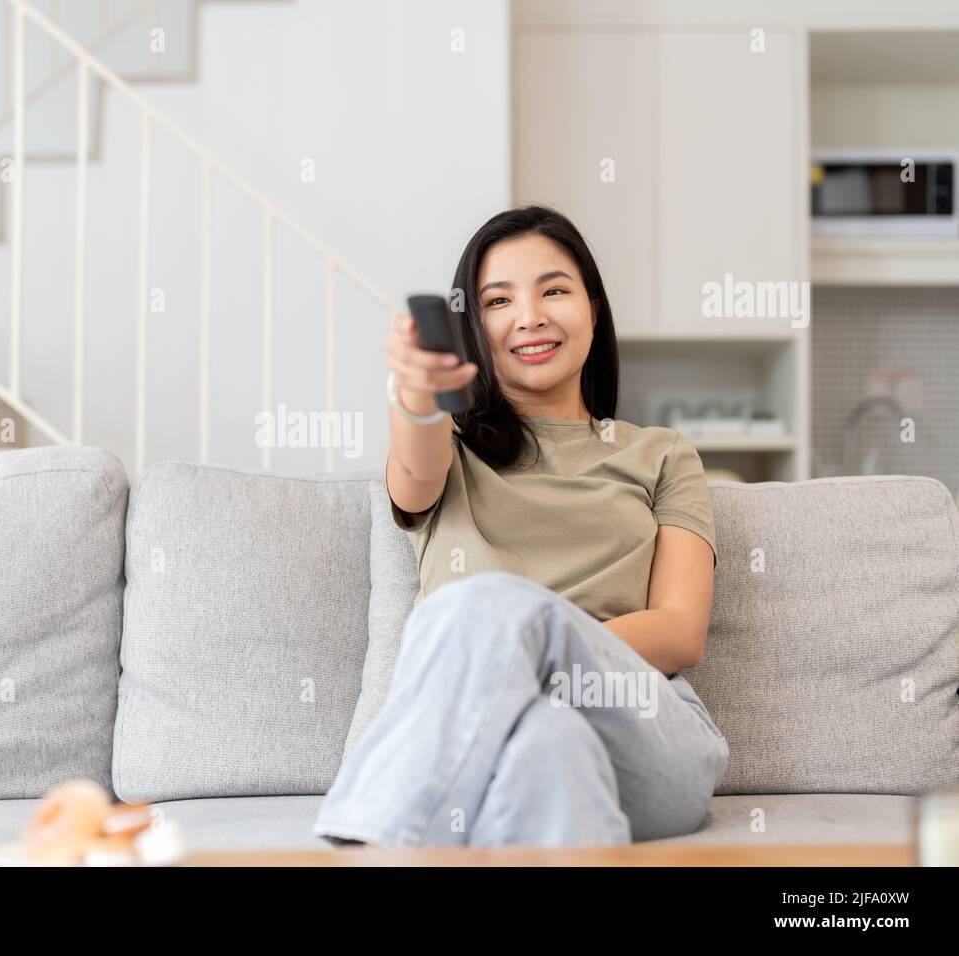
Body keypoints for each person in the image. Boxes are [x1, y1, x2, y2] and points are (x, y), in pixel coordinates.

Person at [311, 205, 729, 849]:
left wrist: (531, 642)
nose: (529, 316)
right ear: (473, 329)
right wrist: (416, 396)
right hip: (510, 746)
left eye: (554, 290)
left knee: (493, 605)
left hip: (649, 734)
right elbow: (413, 471)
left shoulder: (662, 454)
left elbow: (679, 631)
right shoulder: (447, 445)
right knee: (548, 743)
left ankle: (374, 845)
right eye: (498, 301)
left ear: (592, 307)